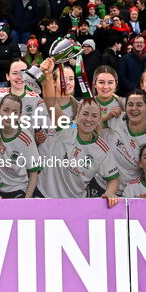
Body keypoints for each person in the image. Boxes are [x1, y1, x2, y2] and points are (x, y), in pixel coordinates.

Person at [36, 71, 121, 205]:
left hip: (74, 202)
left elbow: (114, 179)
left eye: (94, 116)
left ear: (99, 120)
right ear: (77, 116)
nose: (89, 119)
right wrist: (47, 75)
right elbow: (51, 103)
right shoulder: (66, 129)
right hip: (43, 194)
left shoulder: (102, 148)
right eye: (85, 114)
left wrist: (110, 192)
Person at [0, 93, 42, 198]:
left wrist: (27, 199)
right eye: (5, 110)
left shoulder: (26, 138)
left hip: (17, 188)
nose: (9, 115)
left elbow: (34, 173)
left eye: (14, 112)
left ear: (20, 115)